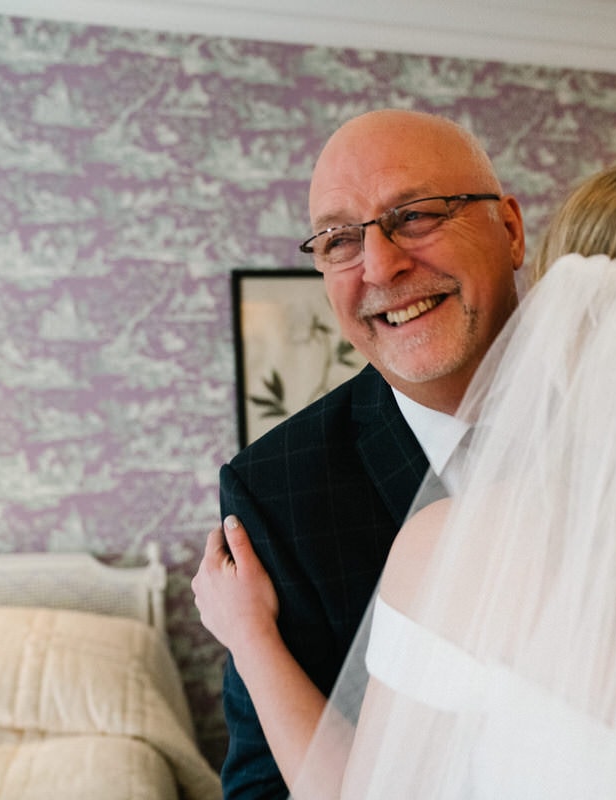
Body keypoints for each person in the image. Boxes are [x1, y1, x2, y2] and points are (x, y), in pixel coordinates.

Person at [201, 157, 616, 799]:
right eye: (340, 239)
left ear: (561, 298)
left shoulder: (451, 546)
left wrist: (251, 638)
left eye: (420, 216)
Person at [192, 108, 526, 799]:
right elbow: (264, 786)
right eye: (340, 240)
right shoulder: (277, 490)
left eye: (417, 215)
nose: (381, 264)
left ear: (511, 229)